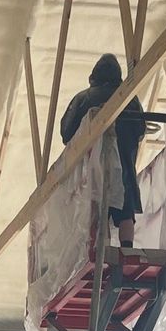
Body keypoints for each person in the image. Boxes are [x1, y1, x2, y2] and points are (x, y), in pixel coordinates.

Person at [59, 53, 148, 244]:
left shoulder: (83, 98)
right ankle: (127, 249)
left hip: (94, 167)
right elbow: (141, 130)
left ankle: (104, 250)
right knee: (125, 212)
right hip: (124, 166)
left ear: (93, 76)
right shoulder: (130, 100)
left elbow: (66, 133)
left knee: (100, 211)